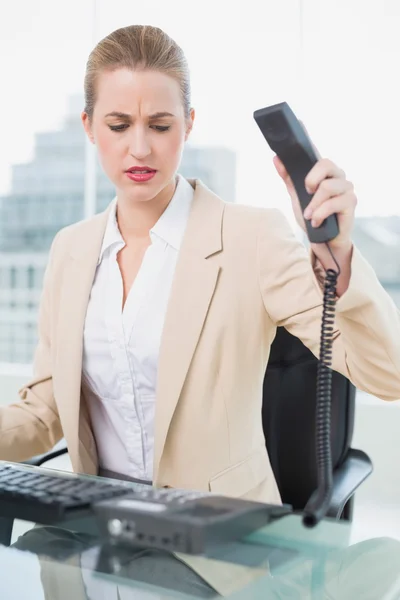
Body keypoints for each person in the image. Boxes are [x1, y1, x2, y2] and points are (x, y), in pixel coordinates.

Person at [1, 23, 399, 499]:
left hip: (221, 544)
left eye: (161, 125)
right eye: (119, 124)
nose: (141, 147)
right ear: (89, 126)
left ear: (189, 124)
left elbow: (388, 375)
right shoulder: (70, 250)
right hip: (96, 535)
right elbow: (46, 412)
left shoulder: (252, 238)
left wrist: (338, 261)